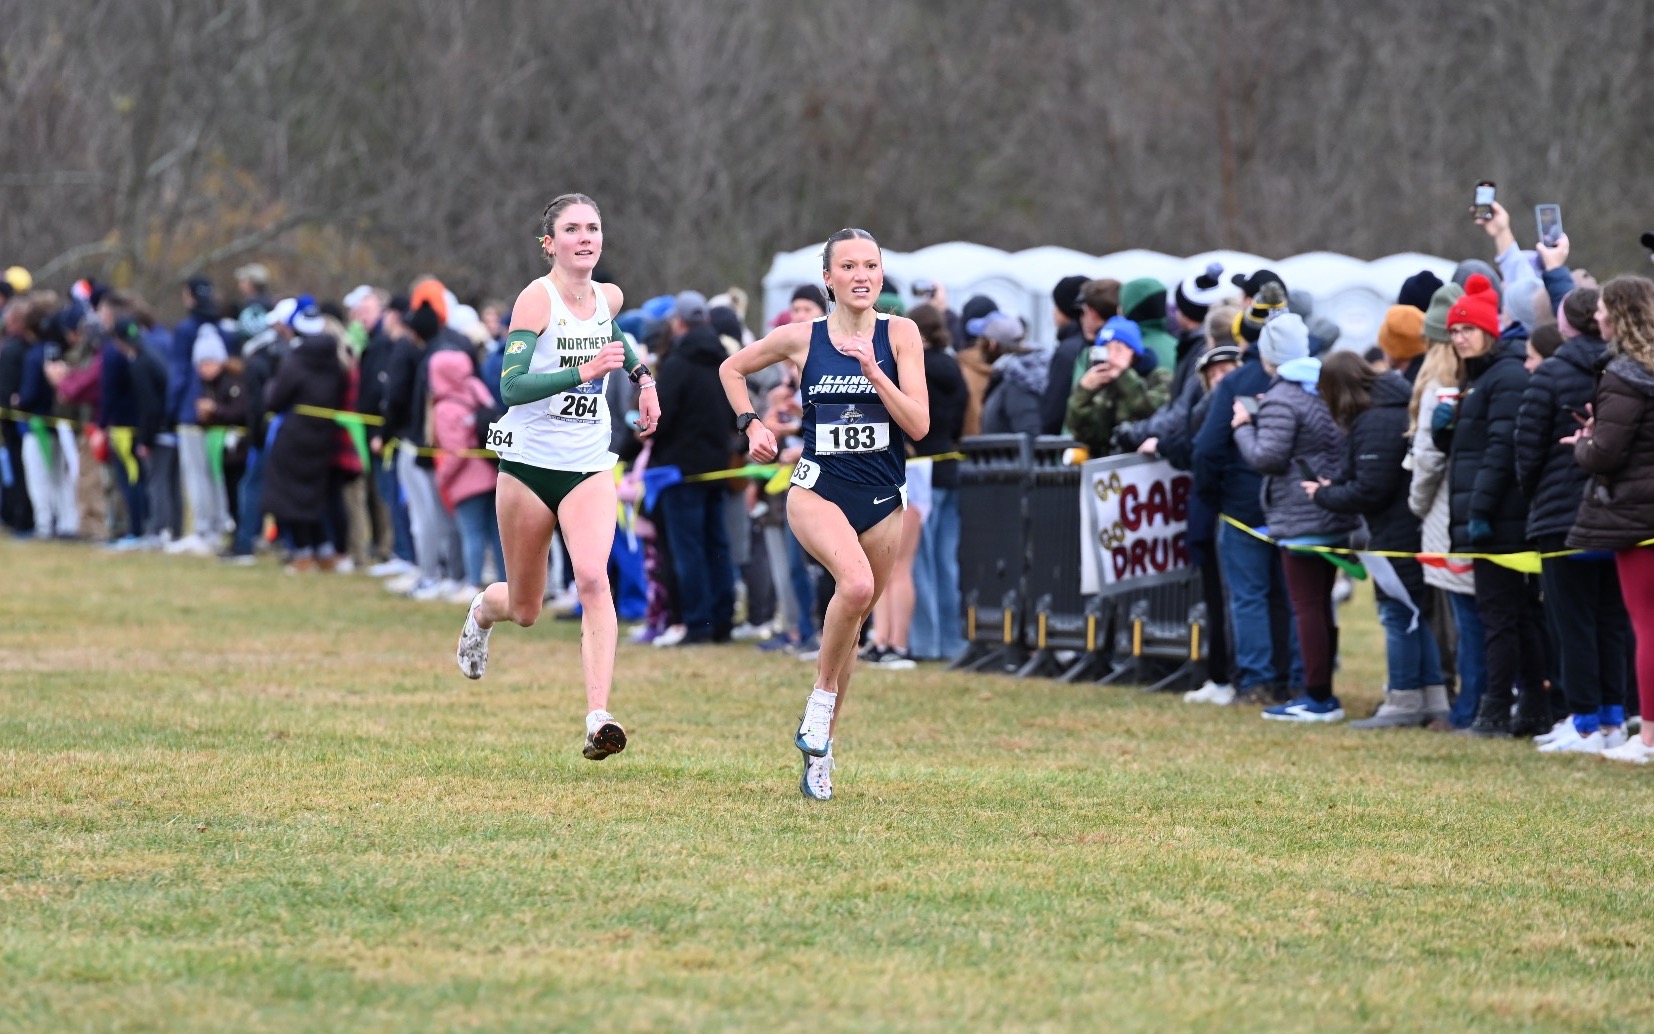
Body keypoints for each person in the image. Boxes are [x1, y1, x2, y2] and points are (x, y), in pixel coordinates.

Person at [719, 228, 929, 801]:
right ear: (829, 279)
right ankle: (819, 700)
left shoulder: (901, 333)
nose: (862, 276)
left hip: (884, 495)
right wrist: (752, 425)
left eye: (871, 266)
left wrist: (875, 371)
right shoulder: (801, 336)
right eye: (850, 267)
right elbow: (731, 371)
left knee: (854, 622)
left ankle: (821, 750)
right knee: (855, 583)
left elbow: (918, 425)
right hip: (817, 488)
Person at [454, 193, 659, 763]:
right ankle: (481, 612)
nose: (586, 237)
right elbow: (511, 387)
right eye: (573, 229)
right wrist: (582, 371)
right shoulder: (534, 301)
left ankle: (599, 717)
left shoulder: (608, 297)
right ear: (551, 243)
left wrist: (643, 379)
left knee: (594, 578)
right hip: (526, 464)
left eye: (594, 227)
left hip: (589, 463)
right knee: (527, 608)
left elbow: (617, 336)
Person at [1431, 274, 1550, 738]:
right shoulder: (1476, 380)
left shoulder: (1506, 377)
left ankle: (1497, 708)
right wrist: (1447, 432)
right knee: (1512, 616)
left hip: (1501, 520)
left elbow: (1503, 451)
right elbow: (1472, 450)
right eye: (1454, 331)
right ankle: (1532, 707)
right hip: (1487, 517)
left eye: (1467, 330)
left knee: (1503, 618)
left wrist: (1479, 511)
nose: (1459, 337)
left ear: (1489, 331)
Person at [1515, 287, 1630, 754]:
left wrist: (1536, 496)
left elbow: (1525, 449)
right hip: (1617, 513)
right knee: (1610, 619)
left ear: (1566, 325)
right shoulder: (1628, 371)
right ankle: (1612, 720)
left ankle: (1584, 722)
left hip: (1561, 515)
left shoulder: (1552, 373)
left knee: (1572, 621)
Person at [1232, 313, 1359, 722]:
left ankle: (1317, 697)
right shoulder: (1323, 387)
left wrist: (1242, 427)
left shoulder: (1282, 397)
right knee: (1321, 606)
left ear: (1270, 356)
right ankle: (1322, 690)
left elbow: (1267, 458)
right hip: (1331, 509)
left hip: (1299, 517)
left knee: (1306, 607)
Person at [1310, 350, 1445, 727]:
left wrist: (1323, 495)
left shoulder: (1374, 420)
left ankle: (1402, 701)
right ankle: (1432, 698)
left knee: (1397, 612)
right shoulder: (1395, 405)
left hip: (1396, 532)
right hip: (1408, 527)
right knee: (1415, 613)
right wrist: (1337, 484)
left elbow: (1371, 489)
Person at [1564, 276, 1654, 764]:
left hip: (1637, 518)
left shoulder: (1624, 375)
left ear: (1619, 315)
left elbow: (1608, 454)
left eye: (1602, 309)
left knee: (1648, 627)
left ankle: (1649, 740)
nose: (1595, 316)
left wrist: (1584, 445)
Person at [1407, 282, 1482, 730]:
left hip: (1443, 513)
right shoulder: (1473, 379)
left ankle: (1469, 705)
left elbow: (1428, 456)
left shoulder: (1439, 387)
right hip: (1468, 510)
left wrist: (1416, 502)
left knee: (1466, 619)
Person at [648, 291, 738, 644]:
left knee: (688, 549)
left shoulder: (677, 363)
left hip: (680, 470)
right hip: (717, 467)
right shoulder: (723, 360)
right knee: (718, 545)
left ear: (679, 323)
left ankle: (698, 622)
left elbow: (661, 417)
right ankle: (723, 621)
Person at [260, 305, 347, 573]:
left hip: (294, 436)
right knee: (314, 497)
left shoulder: (296, 359)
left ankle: (302, 553)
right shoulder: (335, 361)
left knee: (288, 496)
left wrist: (270, 387)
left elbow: (275, 398)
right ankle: (323, 551)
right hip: (323, 437)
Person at [908, 301, 968, 662]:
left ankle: (925, 643)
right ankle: (952, 642)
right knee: (947, 562)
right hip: (949, 467)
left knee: (918, 561)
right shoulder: (953, 367)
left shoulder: (915, 368)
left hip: (919, 469)